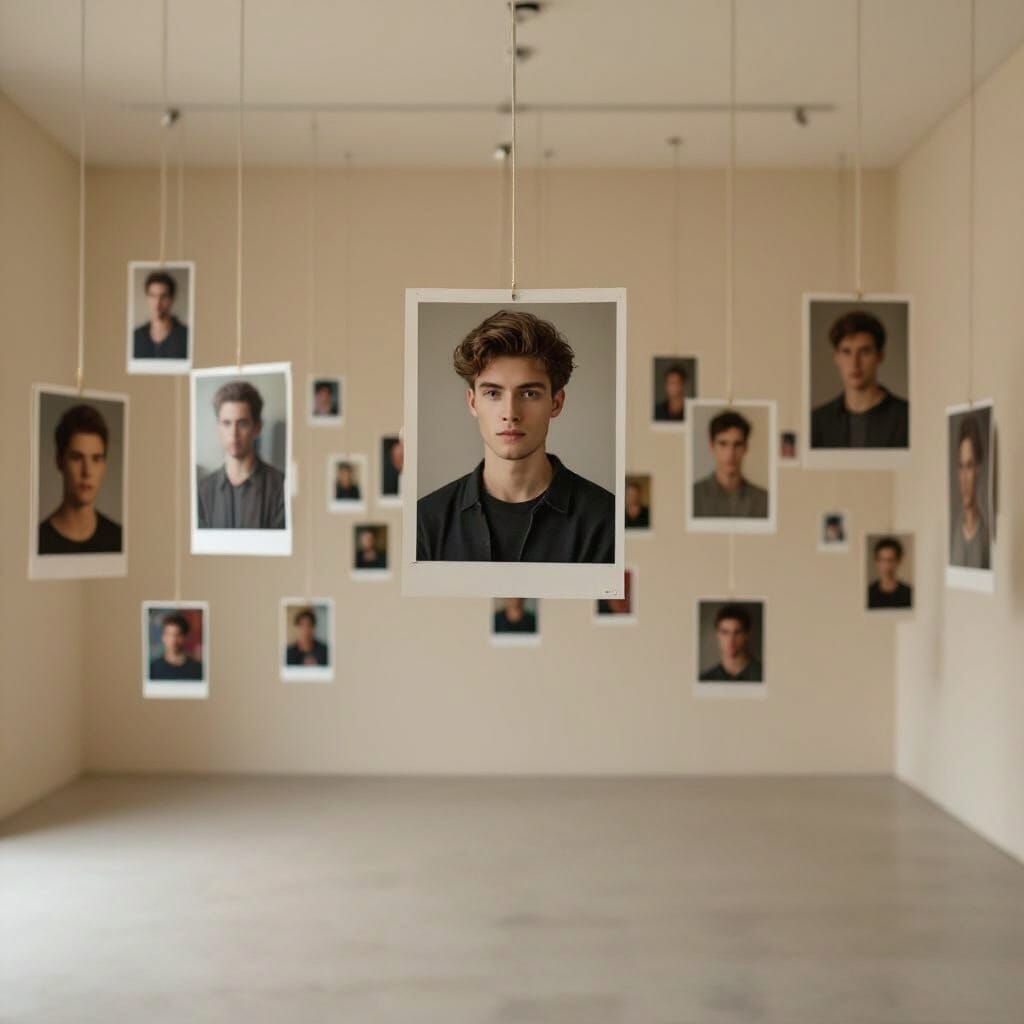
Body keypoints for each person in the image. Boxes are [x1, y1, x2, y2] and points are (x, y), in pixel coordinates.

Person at [417, 309, 615, 562]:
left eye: (529, 393)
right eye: (493, 393)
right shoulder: (425, 520)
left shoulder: (606, 519)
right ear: (472, 402)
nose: (510, 413)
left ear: (556, 402)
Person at [811, 310, 908, 448]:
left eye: (864, 352)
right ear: (836, 358)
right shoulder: (817, 422)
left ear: (880, 356)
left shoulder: (906, 417)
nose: (854, 363)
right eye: (846, 352)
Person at [197, 380, 286, 529]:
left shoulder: (280, 487)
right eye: (227, 423)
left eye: (242, 423)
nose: (234, 433)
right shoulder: (203, 490)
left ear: (257, 427)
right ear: (218, 427)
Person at [38, 403, 123, 555]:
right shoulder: (38, 541)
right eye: (77, 458)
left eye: (96, 459)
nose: (87, 471)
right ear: (59, 461)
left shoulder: (119, 538)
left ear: (104, 465)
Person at [692, 410, 769, 518]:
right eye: (723, 444)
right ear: (711, 446)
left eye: (737, 444)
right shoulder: (693, 497)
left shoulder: (764, 501)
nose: (730, 453)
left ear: (746, 447)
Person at [950, 414, 990, 569]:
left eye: (969, 465)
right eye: (961, 466)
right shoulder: (955, 533)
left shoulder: (986, 536)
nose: (964, 478)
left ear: (978, 469)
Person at [133, 270, 188, 360]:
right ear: (147, 298)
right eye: (153, 296)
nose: (157, 303)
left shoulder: (186, 336)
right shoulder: (136, 337)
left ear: (171, 299)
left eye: (163, 296)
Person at [700, 604, 763, 682]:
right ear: (717, 635)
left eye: (737, 632)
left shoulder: (763, 675)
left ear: (747, 635)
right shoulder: (705, 679)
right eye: (725, 632)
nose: (731, 640)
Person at [149, 612, 203, 681]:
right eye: (169, 634)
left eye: (177, 635)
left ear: (185, 637)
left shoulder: (198, 669)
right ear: (163, 637)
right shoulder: (153, 668)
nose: (173, 640)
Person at [867, 536, 913, 609]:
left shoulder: (909, 593)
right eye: (882, 560)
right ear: (876, 562)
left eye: (890, 560)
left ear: (898, 561)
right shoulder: (868, 593)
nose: (886, 565)